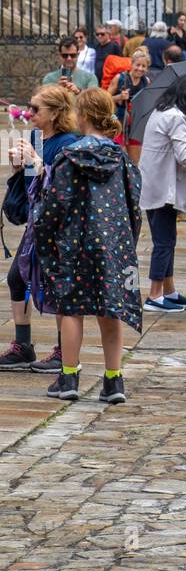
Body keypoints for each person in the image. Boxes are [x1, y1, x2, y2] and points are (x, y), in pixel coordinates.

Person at [33, 86, 142, 405]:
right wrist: (127, 240)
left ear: (81, 116)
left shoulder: (70, 156)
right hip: (113, 244)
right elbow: (134, 201)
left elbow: (57, 202)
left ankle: (69, 376)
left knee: (71, 309)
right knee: (111, 309)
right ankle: (113, 380)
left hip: (75, 243)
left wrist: (42, 229)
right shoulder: (120, 157)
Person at [0, 84, 80, 373]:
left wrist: (37, 163)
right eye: (30, 107)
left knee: (56, 285)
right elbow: (30, 187)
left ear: (56, 113)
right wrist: (18, 168)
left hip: (58, 225)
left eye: (37, 109)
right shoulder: (34, 136)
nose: (29, 113)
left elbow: (63, 185)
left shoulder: (69, 142)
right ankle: (23, 347)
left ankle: (63, 350)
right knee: (17, 278)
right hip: (37, 221)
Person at [139, 73, 186, 314]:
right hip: (163, 188)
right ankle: (155, 294)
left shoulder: (161, 112)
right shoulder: (176, 117)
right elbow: (185, 157)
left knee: (167, 239)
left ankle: (169, 290)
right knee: (164, 242)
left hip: (154, 185)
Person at [108, 46, 151, 164]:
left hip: (136, 124)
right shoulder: (119, 78)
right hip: (117, 121)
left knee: (135, 162)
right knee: (119, 159)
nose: (140, 69)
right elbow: (105, 100)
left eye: (144, 66)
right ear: (131, 64)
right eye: (138, 65)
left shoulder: (146, 81)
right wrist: (119, 97)